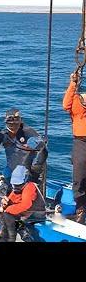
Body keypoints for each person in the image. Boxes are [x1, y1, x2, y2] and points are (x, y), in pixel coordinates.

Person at [0, 108, 47, 182]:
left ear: (21, 121)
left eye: (16, 123)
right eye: (10, 123)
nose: (13, 126)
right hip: (11, 169)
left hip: (30, 171)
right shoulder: (2, 134)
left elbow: (42, 150)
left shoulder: (28, 132)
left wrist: (35, 172)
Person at [0, 165, 45, 242]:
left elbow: (26, 205)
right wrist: (5, 203)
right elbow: (12, 198)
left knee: (7, 214)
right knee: (5, 213)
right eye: (14, 184)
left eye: (18, 184)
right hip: (25, 212)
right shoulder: (18, 188)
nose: (16, 186)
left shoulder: (30, 187)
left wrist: (8, 209)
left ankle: (16, 234)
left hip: (36, 213)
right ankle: (5, 232)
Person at [63, 72, 86, 224]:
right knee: (79, 175)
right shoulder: (76, 102)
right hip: (80, 141)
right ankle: (81, 210)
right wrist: (72, 83)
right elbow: (65, 105)